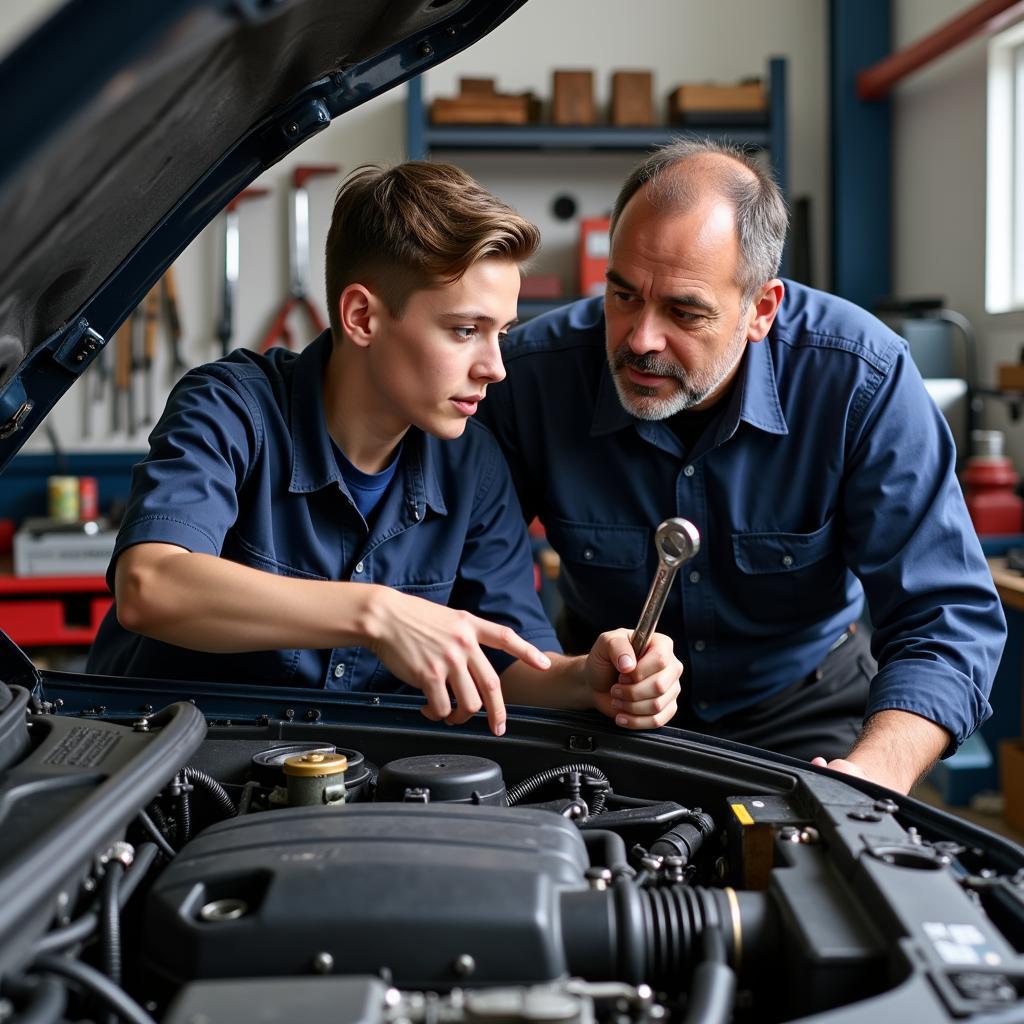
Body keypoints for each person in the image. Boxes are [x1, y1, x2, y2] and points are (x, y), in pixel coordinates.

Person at [478, 138, 1005, 793]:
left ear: (761, 309)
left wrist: (871, 777)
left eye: (683, 311)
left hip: (802, 705)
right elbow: (482, 596)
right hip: (600, 698)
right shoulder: (527, 379)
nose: (641, 339)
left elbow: (945, 614)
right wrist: (570, 676)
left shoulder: (860, 378)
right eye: (622, 296)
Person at [86, 162, 682, 736]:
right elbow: (150, 586)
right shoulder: (230, 408)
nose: (497, 367)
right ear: (362, 317)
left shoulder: (472, 466)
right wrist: (377, 615)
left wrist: (589, 679)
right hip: (165, 777)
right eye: (464, 330)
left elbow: (503, 664)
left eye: (501, 333)